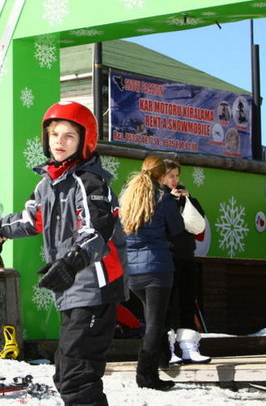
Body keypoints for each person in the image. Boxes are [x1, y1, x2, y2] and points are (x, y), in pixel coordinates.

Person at [0, 101, 127, 406]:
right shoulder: (49, 183)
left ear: (84, 141)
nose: (59, 141)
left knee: (77, 375)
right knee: (66, 372)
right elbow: (32, 219)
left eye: (69, 136)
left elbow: (97, 230)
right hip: (73, 290)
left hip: (96, 288)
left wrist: (72, 261)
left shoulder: (90, 183)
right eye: (54, 134)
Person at [119, 155, 184, 390]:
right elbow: (177, 229)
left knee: (154, 318)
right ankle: (146, 375)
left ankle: (164, 357)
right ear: (161, 175)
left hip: (132, 271)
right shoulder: (163, 198)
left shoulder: (128, 196)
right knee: (155, 323)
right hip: (157, 268)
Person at [160, 159, 211, 365]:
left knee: (187, 300)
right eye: (170, 176)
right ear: (161, 177)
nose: (174, 180)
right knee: (166, 304)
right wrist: (170, 200)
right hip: (166, 256)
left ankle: (189, 346)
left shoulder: (185, 197)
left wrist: (188, 200)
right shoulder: (159, 198)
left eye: (177, 176)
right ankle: (167, 349)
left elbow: (198, 224)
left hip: (187, 255)